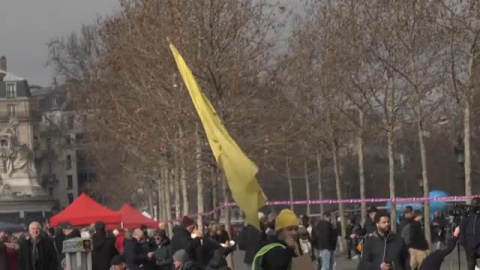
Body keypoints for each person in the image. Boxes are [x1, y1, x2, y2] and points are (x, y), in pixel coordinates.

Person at [460, 197, 480, 270]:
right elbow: (462, 228)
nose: (473, 205)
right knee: (471, 265)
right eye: (472, 204)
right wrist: (463, 241)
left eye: (475, 204)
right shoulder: (468, 215)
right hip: (470, 245)